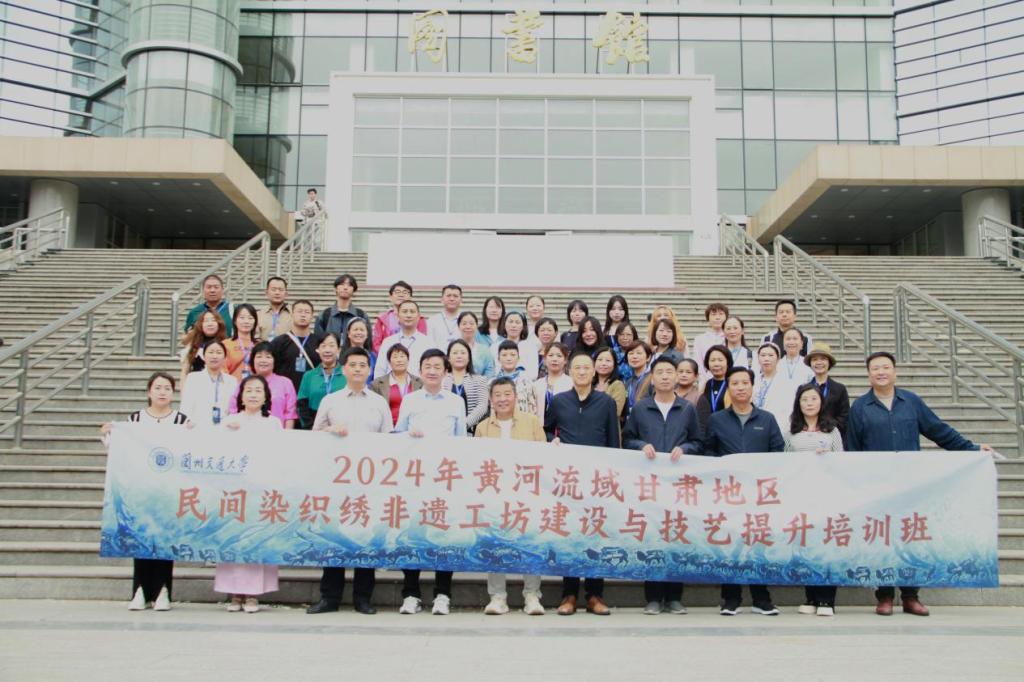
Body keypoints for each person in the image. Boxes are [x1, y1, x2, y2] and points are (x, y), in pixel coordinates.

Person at [846, 351, 992, 618]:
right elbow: (852, 448)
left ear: (894, 372)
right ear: (868, 375)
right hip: (877, 487)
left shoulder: (911, 402)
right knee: (881, 539)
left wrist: (971, 448)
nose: (881, 372)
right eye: (875, 368)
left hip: (910, 485)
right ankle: (884, 596)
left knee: (909, 538)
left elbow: (938, 430)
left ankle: (911, 596)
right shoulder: (860, 407)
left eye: (885, 367)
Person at [308, 347, 392, 616]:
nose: (357, 369)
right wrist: (329, 431)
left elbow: (389, 440)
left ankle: (363, 597)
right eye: (353, 365)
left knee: (366, 537)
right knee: (334, 536)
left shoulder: (379, 402)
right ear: (343, 369)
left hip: (369, 480)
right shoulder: (331, 400)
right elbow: (314, 435)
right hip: (336, 480)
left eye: (362, 365)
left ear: (369, 370)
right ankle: (329, 597)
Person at [100, 372, 187, 612]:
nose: (162, 392)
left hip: (169, 491)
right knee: (141, 538)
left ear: (173, 393)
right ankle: (140, 590)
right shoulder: (135, 420)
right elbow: (120, 449)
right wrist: (108, 434)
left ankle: (163, 591)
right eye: (157, 387)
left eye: (167, 388)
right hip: (140, 490)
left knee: (165, 541)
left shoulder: (182, 421)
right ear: (149, 391)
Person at [622, 356, 702, 616]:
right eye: (660, 372)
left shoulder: (687, 409)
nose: (666, 376)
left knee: (676, 536)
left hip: (678, 483)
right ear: (652, 378)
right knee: (652, 537)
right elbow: (627, 439)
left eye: (670, 372)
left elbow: (698, 442)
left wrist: (685, 448)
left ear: (677, 377)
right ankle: (654, 597)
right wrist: (641, 446)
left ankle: (675, 597)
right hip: (650, 483)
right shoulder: (641, 408)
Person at [704, 366, 785, 617]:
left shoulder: (767, 419)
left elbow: (778, 452)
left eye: (744, 383)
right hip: (728, 494)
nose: (740, 387)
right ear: (728, 388)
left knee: (757, 544)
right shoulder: (717, 420)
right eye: (735, 383)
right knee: (730, 545)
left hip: (759, 494)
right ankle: (731, 599)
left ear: (752, 386)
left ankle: (762, 598)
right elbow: (708, 452)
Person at [544, 353, 620, 616]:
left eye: (587, 367)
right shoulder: (559, 401)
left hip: (597, 481)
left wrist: (612, 478)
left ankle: (595, 595)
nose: (582, 371)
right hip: (568, 481)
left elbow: (613, 441)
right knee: (570, 536)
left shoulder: (606, 402)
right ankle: (569, 595)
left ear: (594, 371)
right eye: (577, 367)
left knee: (595, 535)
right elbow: (546, 429)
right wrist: (551, 440)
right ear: (570, 371)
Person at [393, 349, 467, 616]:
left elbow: (462, 440)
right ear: (420, 370)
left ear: (446, 371)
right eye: (428, 366)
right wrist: (408, 436)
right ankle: (411, 593)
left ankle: (442, 594)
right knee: (412, 532)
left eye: (438, 366)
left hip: (444, 478)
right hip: (414, 476)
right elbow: (397, 435)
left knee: (443, 534)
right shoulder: (410, 399)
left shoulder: (455, 402)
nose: (433, 371)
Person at [475, 377, 547, 616]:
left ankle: (532, 595)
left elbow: (545, 457)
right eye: (497, 395)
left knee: (530, 543)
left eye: (507, 394)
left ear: (515, 396)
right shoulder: (483, 427)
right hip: (495, 493)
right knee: (495, 542)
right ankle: (497, 597)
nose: (503, 399)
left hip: (526, 492)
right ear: (491, 399)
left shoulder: (532, 422)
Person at [216, 375, 281, 613]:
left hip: (261, 489)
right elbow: (216, 452)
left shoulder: (273, 424)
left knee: (256, 538)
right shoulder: (230, 421)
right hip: (234, 490)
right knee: (233, 538)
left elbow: (279, 454)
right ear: (241, 396)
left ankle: (253, 594)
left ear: (266, 397)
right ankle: (234, 593)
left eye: (258, 391)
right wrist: (226, 432)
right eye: (249, 390)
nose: (253, 395)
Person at [785, 384, 844, 618]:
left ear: (821, 402)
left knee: (826, 545)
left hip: (827, 496)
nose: (809, 403)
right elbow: (784, 462)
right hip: (801, 497)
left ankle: (827, 599)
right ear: (798, 404)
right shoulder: (791, 431)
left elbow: (842, 461)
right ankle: (810, 597)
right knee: (806, 547)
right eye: (804, 400)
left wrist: (827, 458)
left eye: (813, 399)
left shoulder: (832, 431)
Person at [228, 342, 297, 428]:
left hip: (276, 430)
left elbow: (290, 414)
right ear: (253, 360)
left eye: (268, 357)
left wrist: (286, 434)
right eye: (259, 356)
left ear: (275, 360)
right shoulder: (245, 383)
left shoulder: (285, 383)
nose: (263, 360)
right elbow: (234, 409)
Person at [269, 299, 322, 395]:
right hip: (285, 393)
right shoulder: (279, 342)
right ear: (292, 314)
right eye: (299, 311)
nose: (303, 315)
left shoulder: (319, 342)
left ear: (312, 316)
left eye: (307, 312)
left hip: (311, 393)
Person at [375, 300, 436, 380]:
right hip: (391, 386)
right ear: (398, 316)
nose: (408, 315)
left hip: (419, 386)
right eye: (404, 311)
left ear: (419, 316)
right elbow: (380, 369)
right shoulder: (388, 342)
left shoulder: (428, 343)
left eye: (412, 312)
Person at [180, 340, 237, 426]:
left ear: (225, 357)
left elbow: (233, 408)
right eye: (211, 352)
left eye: (219, 353)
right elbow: (185, 405)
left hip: (224, 428)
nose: (214, 356)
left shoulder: (232, 381)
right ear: (203, 356)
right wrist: (186, 422)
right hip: (197, 427)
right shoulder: (193, 378)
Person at [297, 333, 345, 429]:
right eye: (323, 346)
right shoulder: (309, 376)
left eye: (331, 345)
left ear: (339, 349)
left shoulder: (347, 374)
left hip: (342, 427)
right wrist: (311, 427)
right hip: (313, 428)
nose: (327, 350)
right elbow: (301, 405)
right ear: (318, 350)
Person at [753, 342, 803, 434]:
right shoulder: (753, 381)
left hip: (778, 429)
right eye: (763, 355)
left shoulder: (788, 383)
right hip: (754, 428)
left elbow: (789, 410)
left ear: (778, 358)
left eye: (771, 355)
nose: (766, 359)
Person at [804, 341, 850, 439]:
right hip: (808, 437)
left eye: (823, 359)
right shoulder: (803, 389)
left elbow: (844, 417)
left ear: (829, 362)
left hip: (833, 437)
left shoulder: (840, 389)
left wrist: (826, 428)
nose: (819, 363)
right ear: (810, 363)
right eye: (815, 359)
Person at [370, 344, 422, 427]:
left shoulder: (420, 382)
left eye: (402, 356)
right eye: (395, 357)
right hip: (387, 429)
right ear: (389, 362)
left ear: (408, 360)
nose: (399, 360)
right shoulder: (377, 384)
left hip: (413, 429)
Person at [444, 339, 490, 432]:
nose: (459, 356)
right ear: (448, 358)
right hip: (446, 430)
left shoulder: (480, 380)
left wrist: (463, 425)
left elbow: (482, 406)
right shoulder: (442, 380)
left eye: (463, 353)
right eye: (455, 353)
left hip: (470, 431)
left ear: (469, 358)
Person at [372, 280, 427, 354]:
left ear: (410, 297)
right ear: (390, 297)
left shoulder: (419, 319)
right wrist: (388, 354)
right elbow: (376, 343)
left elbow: (422, 340)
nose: (401, 295)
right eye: (397, 292)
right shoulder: (382, 319)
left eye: (405, 292)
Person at [179, 310, 226, 387]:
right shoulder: (194, 345)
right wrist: (183, 390)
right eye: (206, 321)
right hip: (196, 385)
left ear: (219, 324)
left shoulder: (226, 344)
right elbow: (184, 372)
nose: (210, 324)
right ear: (201, 325)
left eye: (213, 320)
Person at [316, 274, 368, 339]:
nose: (345, 288)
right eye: (342, 284)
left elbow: (368, 341)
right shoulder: (324, 315)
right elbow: (318, 340)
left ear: (354, 290)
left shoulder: (361, 315)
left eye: (349, 285)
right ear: (336, 289)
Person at [492, 311, 540, 381]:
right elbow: (493, 370)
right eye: (510, 322)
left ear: (523, 326)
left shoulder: (530, 346)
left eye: (517, 322)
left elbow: (533, 373)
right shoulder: (494, 347)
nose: (513, 325)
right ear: (504, 325)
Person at [493, 340, 537, 415]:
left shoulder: (527, 382)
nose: (508, 358)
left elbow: (533, 407)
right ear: (498, 359)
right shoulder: (492, 383)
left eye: (513, 355)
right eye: (504, 355)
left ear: (518, 358)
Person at [532, 342, 572, 420]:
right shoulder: (537, 385)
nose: (554, 359)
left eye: (559, 356)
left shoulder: (571, 384)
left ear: (565, 360)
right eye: (550, 355)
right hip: (540, 425)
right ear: (544, 359)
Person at [693, 303, 729, 383]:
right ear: (708, 318)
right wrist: (704, 380)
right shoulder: (700, 339)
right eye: (713, 314)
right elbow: (698, 362)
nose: (717, 317)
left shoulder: (730, 337)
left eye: (721, 314)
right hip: (706, 380)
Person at [224, 303, 260, 381]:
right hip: (232, 385)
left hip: (256, 386)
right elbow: (222, 370)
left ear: (255, 322)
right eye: (242, 318)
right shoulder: (225, 344)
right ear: (235, 321)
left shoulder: (260, 345)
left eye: (250, 318)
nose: (246, 321)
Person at [676, 358, 712, 433]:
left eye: (688, 372)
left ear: (696, 376)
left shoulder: (699, 398)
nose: (684, 375)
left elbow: (702, 427)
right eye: (680, 371)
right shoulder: (668, 394)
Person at [456, 311, 494, 377]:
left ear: (476, 326)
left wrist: (481, 382)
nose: (468, 327)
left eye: (471, 323)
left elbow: (490, 370)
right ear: (458, 326)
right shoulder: (452, 348)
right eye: (464, 324)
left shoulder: (484, 349)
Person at [593, 346, 627, 418]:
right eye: (600, 360)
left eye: (608, 360)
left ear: (614, 365)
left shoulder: (617, 385)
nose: (603, 363)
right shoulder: (588, 384)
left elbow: (615, 412)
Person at [622, 341, 652, 419]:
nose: (634, 357)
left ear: (648, 357)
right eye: (631, 353)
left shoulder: (653, 379)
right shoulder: (628, 383)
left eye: (639, 353)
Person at [428, 284, 463, 349]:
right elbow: (429, 343)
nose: (452, 299)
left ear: (461, 300)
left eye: (455, 296)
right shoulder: (432, 321)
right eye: (448, 296)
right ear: (442, 299)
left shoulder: (465, 320)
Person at [256, 276, 292, 341]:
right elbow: (256, 338)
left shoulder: (294, 314)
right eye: (273, 289)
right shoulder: (259, 315)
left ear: (286, 294)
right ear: (266, 293)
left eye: (281, 290)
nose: (277, 293)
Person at [702, 345, 733, 415]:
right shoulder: (706, 384)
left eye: (720, 360)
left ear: (728, 362)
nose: (716, 364)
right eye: (712, 360)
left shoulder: (733, 383)